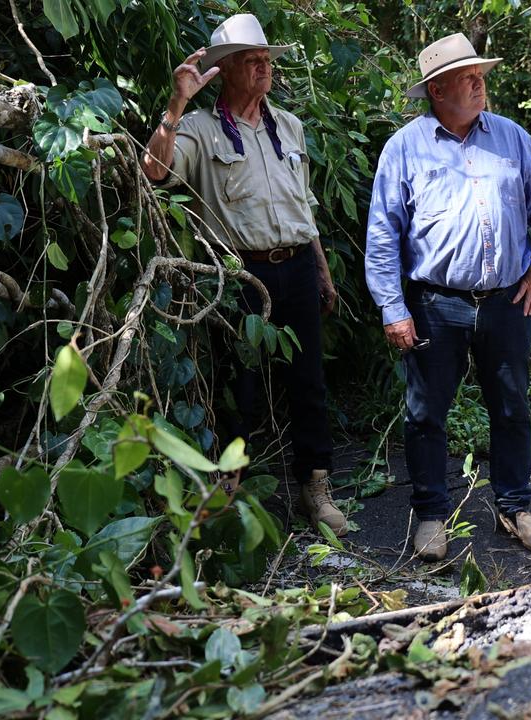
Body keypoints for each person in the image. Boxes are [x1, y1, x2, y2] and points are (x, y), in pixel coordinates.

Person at [140, 14, 344, 534]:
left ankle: (315, 488)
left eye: (266, 59)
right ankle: (227, 492)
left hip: (297, 265)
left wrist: (321, 271)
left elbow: (305, 207)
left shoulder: (290, 126)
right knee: (241, 386)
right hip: (240, 276)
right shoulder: (199, 129)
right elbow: (154, 173)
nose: (263, 68)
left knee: (308, 382)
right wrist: (176, 103)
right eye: (251, 60)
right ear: (224, 70)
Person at [365, 33, 531, 561]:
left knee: (512, 406)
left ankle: (515, 508)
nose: (480, 83)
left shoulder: (512, 138)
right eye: (468, 76)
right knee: (427, 412)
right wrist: (393, 307)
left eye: (481, 74)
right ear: (435, 89)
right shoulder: (404, 148)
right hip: (435, 303)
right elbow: (383, 234)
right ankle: (431, 515)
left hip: (506, 300)